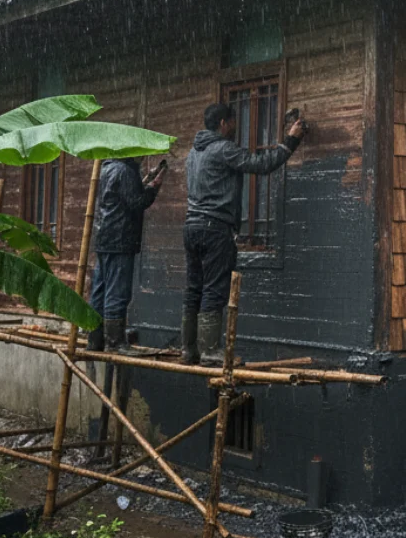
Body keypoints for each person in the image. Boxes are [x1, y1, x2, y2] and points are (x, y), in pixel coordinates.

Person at [182, 102, 306, 365]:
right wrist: (290, 142)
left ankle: (189, 350)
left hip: (191, 226)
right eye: (234, 122)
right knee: (215, 289)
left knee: (194, 288)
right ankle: (210, 352)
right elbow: (261, 164)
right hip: (215, 228)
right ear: (223, 124)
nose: (236, 128)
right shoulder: (224, 149)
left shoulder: (193, 153)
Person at [89, 156, 165, 352]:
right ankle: (115, 342)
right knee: (117, 291)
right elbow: (136, 202)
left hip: (105, 238)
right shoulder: (125, 171)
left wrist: (145, 180)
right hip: (120, 239)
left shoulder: (108, 168)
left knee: (100, 291)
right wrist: (154, 187)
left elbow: (121, 196)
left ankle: (95, 339)